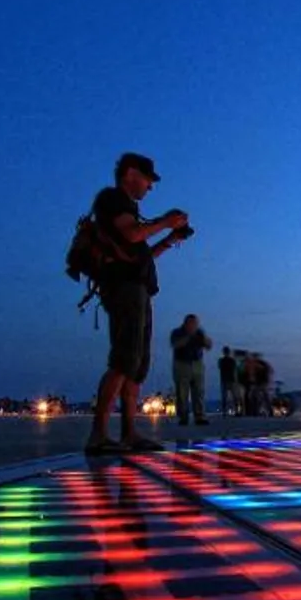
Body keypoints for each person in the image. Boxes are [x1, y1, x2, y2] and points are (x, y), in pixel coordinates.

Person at [84, 153, 191, 454]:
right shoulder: (112, 200)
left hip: (138, 289)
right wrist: (165, 222)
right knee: (124, 359)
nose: (150, 187)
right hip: (124, 289)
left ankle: (129, 433)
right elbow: (132, 236)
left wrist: (169, 240)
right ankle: (98, 435)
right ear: (130, 174)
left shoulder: (129, 209)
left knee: (137, 363)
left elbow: (140, 255)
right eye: (148, 180)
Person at [168, 314, 212, 425]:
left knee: (199, 391)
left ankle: (200, 416)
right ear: (186, 323)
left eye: (196, 323)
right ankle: (183, 417)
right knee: (182, 392)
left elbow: (209, 346)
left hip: (197, 364)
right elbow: (175, 344)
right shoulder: (177, 332)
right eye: (192, 323)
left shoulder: (199, 333)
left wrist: (204, 339)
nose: (194, 325)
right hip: (182, 364)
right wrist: (188, 336)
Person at [217, 346, 238, 418]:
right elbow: (234, 370)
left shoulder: (221, 360)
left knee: (224, 397)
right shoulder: (232, 360)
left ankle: (224, 412)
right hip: (231, 380)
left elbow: (219, 367)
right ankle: (236, 411)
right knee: (234, 397)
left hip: (224, 380)